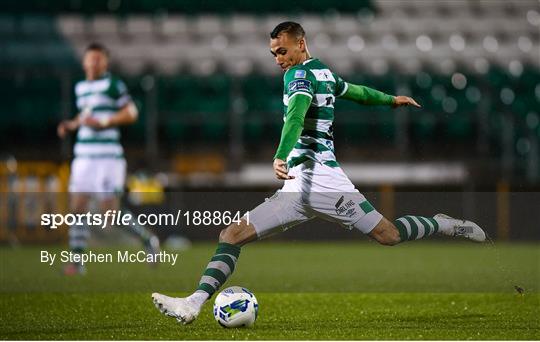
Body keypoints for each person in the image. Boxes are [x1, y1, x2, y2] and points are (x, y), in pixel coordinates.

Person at [151, 22, 486, 324]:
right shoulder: (322, 71)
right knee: (231, 235)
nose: (278, 59)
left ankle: (443, 223)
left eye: (282, 51)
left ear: (301, 43)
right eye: (273, 53)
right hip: (296, 189)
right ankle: (193, 304)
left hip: (324, 180)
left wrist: (280, 155)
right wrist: (389, 100)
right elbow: (354, 91)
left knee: (389, 235)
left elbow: (297, 116)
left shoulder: (299, 76)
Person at [57, 42, 159, 274]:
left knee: (109, 215)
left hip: (107, 157)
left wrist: (105, 122)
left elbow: (131, 112)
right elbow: (86, 115)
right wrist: (71, 124)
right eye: (90, 58)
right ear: (84, 62)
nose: (94, 63)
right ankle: (76, 261)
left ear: (105, 62)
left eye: (98, 59)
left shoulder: (113, 84)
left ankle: (147, 240)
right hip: (83, 155)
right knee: (78, 207)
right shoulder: (81, 87)